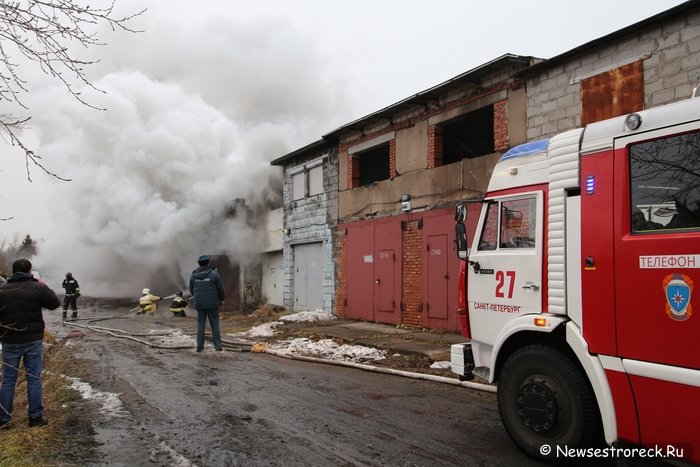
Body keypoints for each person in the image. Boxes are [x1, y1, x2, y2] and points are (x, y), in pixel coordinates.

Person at [0, 258, 60, 428]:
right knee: (33, 378)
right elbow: (54, 304)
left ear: (13, 271)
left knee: (8, 380)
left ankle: (3, 418)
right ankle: (35, 417)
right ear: (29, 270)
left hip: (9, 341)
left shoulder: (2, 290)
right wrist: (43, 285)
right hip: (32, 341)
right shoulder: (38, 287)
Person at [189, 255, 225, 352]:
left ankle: (199, 346)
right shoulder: (214, 274)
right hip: (212, 304)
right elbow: (221, 289)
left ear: (199, 264)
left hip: (199, 304)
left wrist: (197, 298)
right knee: (214, 324)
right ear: (208, 263)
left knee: (201, 324)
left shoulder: (193, 275)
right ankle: (218, 346)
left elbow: (192, 290)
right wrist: (221, 299)